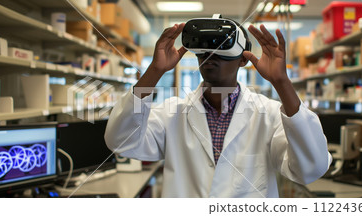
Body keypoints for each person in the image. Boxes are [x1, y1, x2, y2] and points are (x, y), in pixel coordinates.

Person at [104, 21, 331, 198]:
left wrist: (282, 82)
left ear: (244, 59)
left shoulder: (269, 115)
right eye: (204, 49)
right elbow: (121, 141)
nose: (210, 55)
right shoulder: (171, 113)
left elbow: (310, 168)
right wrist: (154, 70)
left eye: (222, 47)